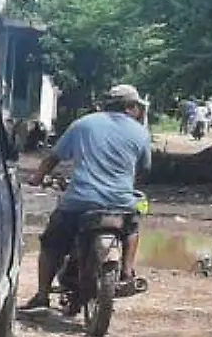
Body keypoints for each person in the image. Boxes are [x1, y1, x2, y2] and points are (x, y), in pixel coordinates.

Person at [22, 83, 152, 310]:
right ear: (130, 107)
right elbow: (144, 168)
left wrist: (37, 177)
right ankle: (127, 272)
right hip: (121, 202)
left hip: (79, 201)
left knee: (52, 243)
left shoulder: (83, 124)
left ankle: (42, 295)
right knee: (132, 226)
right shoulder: (140, 132)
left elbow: (53, 158)